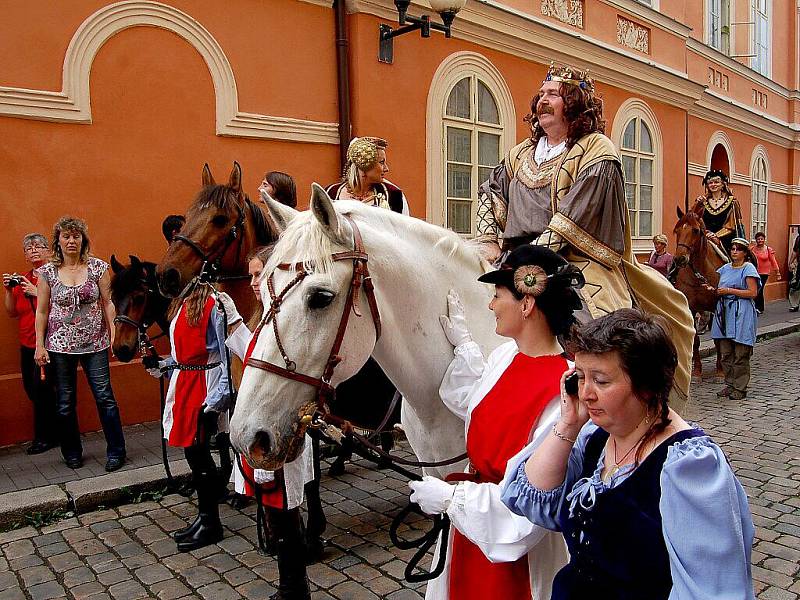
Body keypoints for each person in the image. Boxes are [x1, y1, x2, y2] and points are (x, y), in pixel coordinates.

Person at [476, 62, 694, 410]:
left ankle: (616, 408)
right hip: (515, 259)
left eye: (553, 94)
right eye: (541, 94)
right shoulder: (518, 155)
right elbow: (491, 191)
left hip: (578, 261)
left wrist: (531, 260)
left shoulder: (597, 150)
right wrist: (488, 239)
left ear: (574, 102)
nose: (542, 101)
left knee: (600, 330)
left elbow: (577, 215)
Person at [501, 308, 755, 600]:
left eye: (601, 380)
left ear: (646, 385)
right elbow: (530, 497)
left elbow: (712, 588)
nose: (585, 393)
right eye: (580, 377)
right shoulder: (594, 438)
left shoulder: (689, 465)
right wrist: (568, 424)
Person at [408, 246, 584, 600]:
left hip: (515, 549)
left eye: (497, 295)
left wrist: (451, 498)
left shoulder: (564, 390)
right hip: (472, 527)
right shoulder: (504, 357)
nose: (490, 305)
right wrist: (463, 344)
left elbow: (533, 505)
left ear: (527, 304)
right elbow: (474, 400)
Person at [219, 255, 316, 600]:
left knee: (285, 513)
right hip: (262, 426)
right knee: (275, 514)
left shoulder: (282, 323)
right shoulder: (262, 320)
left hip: (280, 428)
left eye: (260, 274)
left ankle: (294, 588)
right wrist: (234, 323)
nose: (254, 282)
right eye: (251, 276)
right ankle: (291, 584)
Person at [34, 217, 126, 471]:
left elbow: (108, 302)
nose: (71, 241)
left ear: (83, 240)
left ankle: (116, 451)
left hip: (95, 343)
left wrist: (114, 334)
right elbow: (41, 311)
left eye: (76, 236)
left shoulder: (97, 267)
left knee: (105, 397)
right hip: (59, 346)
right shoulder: (47, 273)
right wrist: (39, 345)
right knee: (65, 402)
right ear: (58, 241)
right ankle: (71, 452)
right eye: (66, 236)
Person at [148, 282, 232, 552]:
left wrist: (215, 403)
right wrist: (161, 364)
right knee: (192, 454)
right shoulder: (181, 301)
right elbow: (181, 356)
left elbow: (227, 356)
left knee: (200, 453)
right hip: (185, 382)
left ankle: (212, 522)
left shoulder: (215, 305)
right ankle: (204, 516)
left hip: (205, 384)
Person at [3, 234, 58, 454]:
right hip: (27, 343)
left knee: (44, 389)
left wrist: (38, 293)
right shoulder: (23, 279)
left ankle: (45, 437)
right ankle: (54, 433)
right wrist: (9, 290)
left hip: (49, 341)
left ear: (49, 251)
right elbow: (11, 311)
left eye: (39, 247)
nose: (34, 250)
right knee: (32, 389)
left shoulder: (54, 276)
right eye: (29, 248)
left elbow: (64, 306)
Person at [706, 238, 760, 400]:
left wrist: (729, 290)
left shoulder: (748, 268)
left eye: (738, 249)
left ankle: (740, 387)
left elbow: (752, 293)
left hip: (741, 312)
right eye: (732, 248)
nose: (734, 251)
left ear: (745, 253)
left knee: (740, 352)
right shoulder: (725, 268)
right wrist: (713, 290)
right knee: (725, 352)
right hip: (725, 312)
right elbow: (721, 289)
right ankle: (730, 384)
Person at [325, 136, 409, 215]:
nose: (386, 169)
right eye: (381, 162)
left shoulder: (393, 195)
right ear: (364, 165)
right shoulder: (331, 193)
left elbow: (403, 228)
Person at [695, 169, 744, 256]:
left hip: (725, 239)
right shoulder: (703, 202)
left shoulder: (732, 202)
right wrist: (698, 205)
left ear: (723, 184)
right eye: (710, 183)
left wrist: (716, 235)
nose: (713, 185)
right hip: (705, 236)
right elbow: (695, 220)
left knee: (736, 255)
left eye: (716, 182)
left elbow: (732, 225)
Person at [749, 231, 780, 314]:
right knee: (754, 289)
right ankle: (755, 307)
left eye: (761, 239)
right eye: (758, 239)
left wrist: (777, 272)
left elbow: (773, 261)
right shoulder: (752, 249)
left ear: (764, 240)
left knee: (760, 289)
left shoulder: (768, 249)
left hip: (764, 273)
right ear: (756, 240)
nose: (760, 241)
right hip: (754, 272)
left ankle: (759, 307)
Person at [790, 231, 800, 312]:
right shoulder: (798, 239)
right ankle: (795, 304)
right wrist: (791, 262)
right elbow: (795, 251)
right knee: (796, 284)